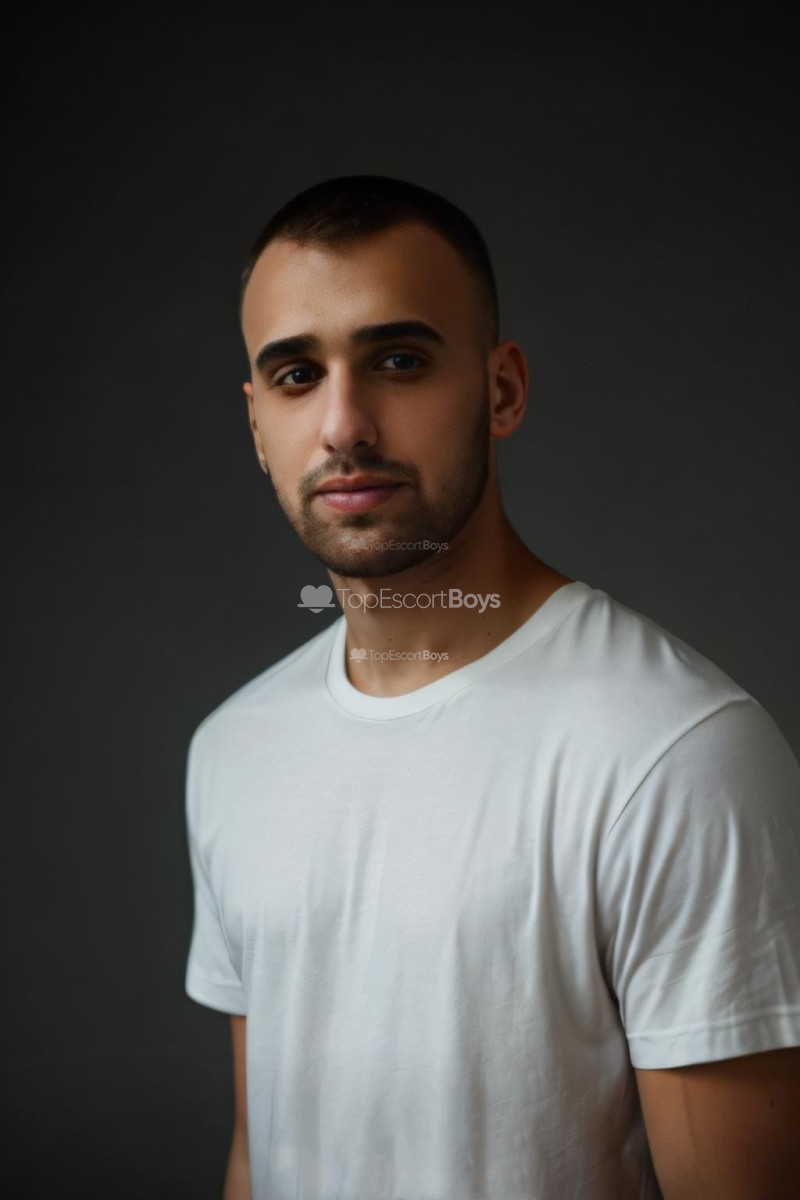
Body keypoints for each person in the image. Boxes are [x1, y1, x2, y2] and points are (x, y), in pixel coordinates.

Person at [184, 174, 800, 1200]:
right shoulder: (233, 749)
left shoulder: (675, 753)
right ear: (256, 424)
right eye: (296, 375)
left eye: (397, 360)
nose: (343, 424)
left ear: (501, 390)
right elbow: (262, 1152)